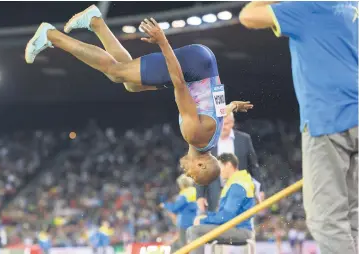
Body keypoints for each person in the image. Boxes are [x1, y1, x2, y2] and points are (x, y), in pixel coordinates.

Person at [25, 5, 253, 185]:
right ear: (202, 165)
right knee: (116, 73)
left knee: (130, 85)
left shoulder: (210, 140)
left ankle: (96, 22)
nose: (187, 174)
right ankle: (51, 35)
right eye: (193, 176)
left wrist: (233, 106)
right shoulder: (194, 135)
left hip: (203, 68)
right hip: (193, 66)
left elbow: (219, 108)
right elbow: (179, 83)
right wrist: (163, 42)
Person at [239, 2, 358, 254]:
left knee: (325, 219)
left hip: (328, 118)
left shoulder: (310, 8)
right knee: (353, 214)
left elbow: (248, 15)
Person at [186, 153, 255, 254]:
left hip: (241, 230)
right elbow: (224, 215)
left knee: (195, 231)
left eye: (220, 166)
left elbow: (226, 217)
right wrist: (205, 218)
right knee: (193, 229)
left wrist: (203, 220)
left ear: (228, 165)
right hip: (234, 227)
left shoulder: (238, 185)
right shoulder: (235, 182)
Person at [196, 113, 261, 213]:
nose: (222, 127)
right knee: (219, 223)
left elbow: (254, 166)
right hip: (216, 193)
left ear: (232, 123)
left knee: (242, 223)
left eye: (225, 123)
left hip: (241, 191)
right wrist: (200, 196)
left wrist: (260, 189)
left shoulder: (244, 139)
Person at [159, 174, 197, 251]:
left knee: (183, 247)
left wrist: (164, 205)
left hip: (185, 223)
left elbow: (175, 208)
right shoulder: (195, 191)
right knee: (177, 245)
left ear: (182, 184)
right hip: (194, 222)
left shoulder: (185, 194)